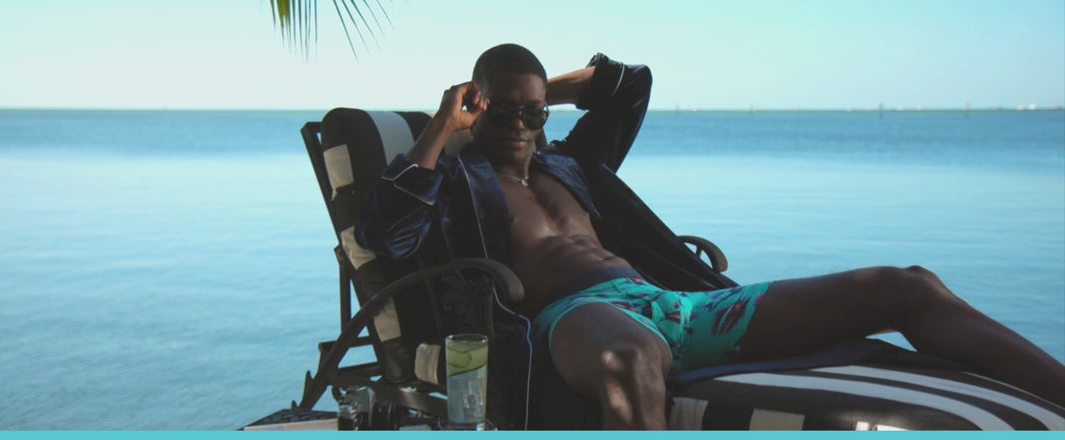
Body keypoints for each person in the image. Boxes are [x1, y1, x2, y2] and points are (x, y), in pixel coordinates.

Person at [356, 43, 1065, 429]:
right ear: (474, 103)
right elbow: (386, 235)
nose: (519, 123)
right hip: (570, 321)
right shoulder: (450, 179)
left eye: (532, 111)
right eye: (503, 108)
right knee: (629, 354)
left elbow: (631, 83)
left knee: (905, 285)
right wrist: (443, 125)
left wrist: (550, 91)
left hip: (678, 307)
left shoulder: (573, 160)